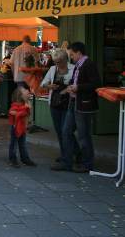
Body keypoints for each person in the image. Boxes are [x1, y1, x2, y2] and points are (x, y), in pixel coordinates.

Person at [55, 42, 101, 173]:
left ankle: (87, 164)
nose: (71, 57)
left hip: (84, 105)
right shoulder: (78, 65)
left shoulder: (89, 64)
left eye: (72, 55)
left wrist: (78, 87)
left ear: (79, 53)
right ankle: (67, 161)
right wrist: (70, 86)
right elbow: (76, 80)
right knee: (66, 131)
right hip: (74, 102)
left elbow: (96, 84)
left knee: (83, 135)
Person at [41, 48, 79, 168]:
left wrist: (68, 89)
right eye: (55, 62)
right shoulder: (53, 69)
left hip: (69, 103)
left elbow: (77, 85)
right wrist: (49, 86)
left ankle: (72, 154)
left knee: (66, 131)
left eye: (59, 62)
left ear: (65, 60)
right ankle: (66, 154)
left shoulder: (74, 69)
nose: (57, 64)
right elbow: (43, 84)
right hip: (55, 103)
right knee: (59, 131)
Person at [8, 86, 36, 168]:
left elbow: (28, 114)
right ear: (20, 95)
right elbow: (11, 112)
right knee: (14, 144)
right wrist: (24, 109)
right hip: (15, 127)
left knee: (22, 143)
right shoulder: (16, 105)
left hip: (23, 127)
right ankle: (13, 159)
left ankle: (25, 158)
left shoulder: (27, 103)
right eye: (24, 90)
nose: (27, 90)